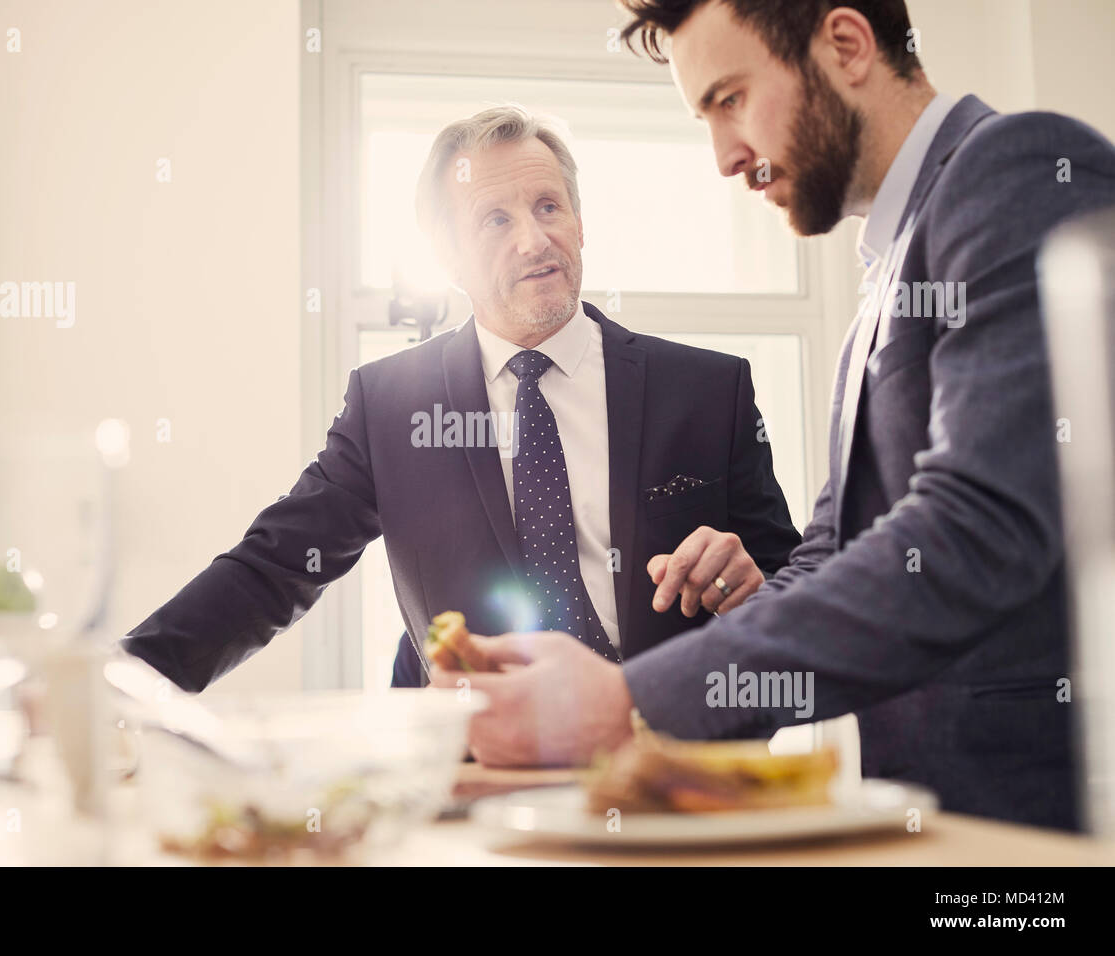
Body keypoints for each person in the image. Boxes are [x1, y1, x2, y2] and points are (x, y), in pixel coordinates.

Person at [435, 0, 1115, 831]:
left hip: (1052, 822)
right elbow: (834, 550)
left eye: (730, 99)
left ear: (847, 45)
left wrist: (627, 700)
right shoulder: (887, 272)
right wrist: (603, 689)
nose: (724, 157)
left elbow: (974, 527)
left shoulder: (1016, 169)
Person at [121, 106, 800, 695]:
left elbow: (792, 586)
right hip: (467, 774)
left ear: (581, 222)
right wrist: (122, 685)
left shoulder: (710, 390)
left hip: (668, 765)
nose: (534, 240)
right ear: (446, 256)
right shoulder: (389, 404)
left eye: (547, 207)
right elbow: (272, 569)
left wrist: (759, 591)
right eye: (495, 220)